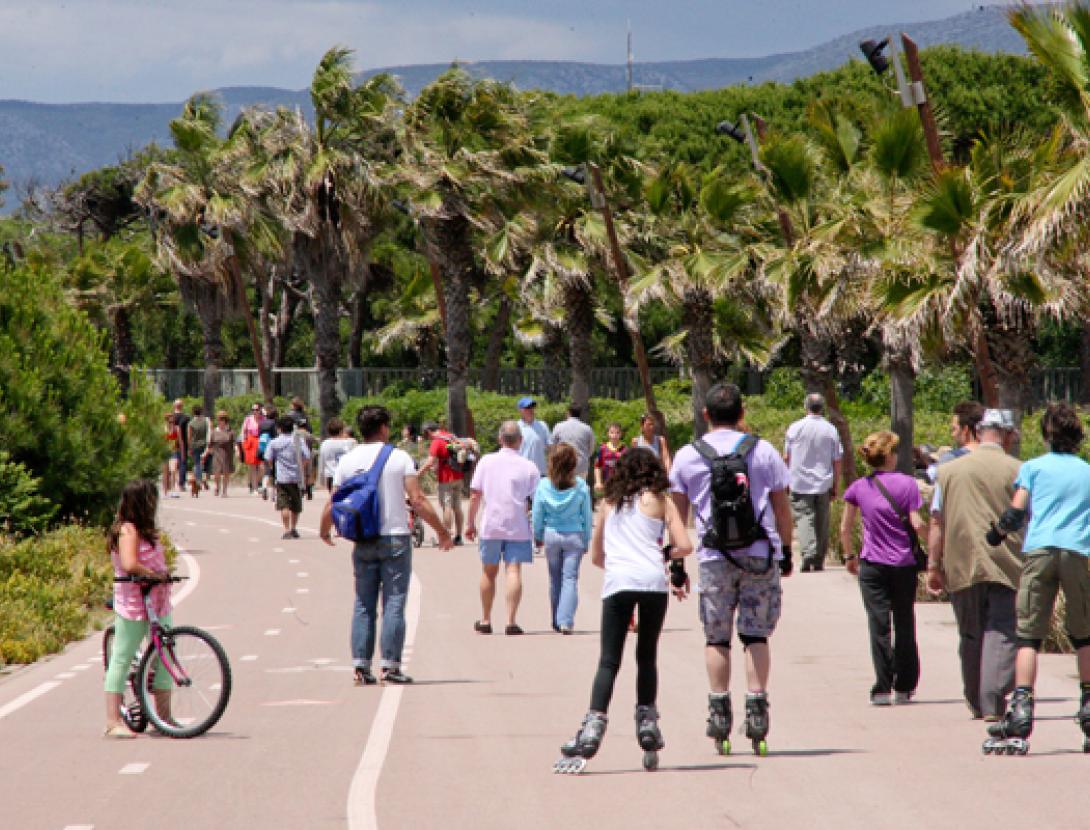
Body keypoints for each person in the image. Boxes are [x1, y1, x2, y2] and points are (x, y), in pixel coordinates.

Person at [669, 382, 793, 755]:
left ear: (705, 414)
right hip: (758, 553)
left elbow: (677, 513)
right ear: (742, 414)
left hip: (713, 556)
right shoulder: (764, 451)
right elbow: (782, 508)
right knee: (756, 635)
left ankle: (719, 709)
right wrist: (785, 550)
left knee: (717, 637)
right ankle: (757, 708)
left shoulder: (688, 456)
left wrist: (676, 564)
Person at [554, 449, 693, 773]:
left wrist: (618, 564)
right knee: (646, 656)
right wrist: (663, 555)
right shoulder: (662, 500)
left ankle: (592, 727)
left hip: (619, 581)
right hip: (653, 583)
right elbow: (685, 545)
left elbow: (596, 556)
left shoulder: (610, 502)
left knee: (609, 660)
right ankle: (647, 722)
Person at [982, 402, 1090, 753]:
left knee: (1029, 635)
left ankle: (1021, 710)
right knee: (1084, 634)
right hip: (1077, 553)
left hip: (1040, 551)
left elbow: (1015, 513)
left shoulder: (1033, 468)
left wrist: (996, 533)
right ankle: (1088, 708)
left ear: (1046, 434)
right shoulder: (1087, 471)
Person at [319, 405, 452, 685]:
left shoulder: (348, 460)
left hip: (363, 538)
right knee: (393, 602)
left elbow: (334, 501)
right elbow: (416, 499)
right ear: (383, 428)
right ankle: (390, 666)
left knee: (363, 603)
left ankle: (360, 666)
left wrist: (324, 530)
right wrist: (441, 530)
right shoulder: (399, 457)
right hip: (395, 538)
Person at [927, 409, 1021, 720]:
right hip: (1006, 562)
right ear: (1007, 435)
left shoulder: (949, 471)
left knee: (970, 632)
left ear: (978, 433)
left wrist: (933, 565)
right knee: (1001, 627)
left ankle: (975, 699)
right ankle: (992, 697)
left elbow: (936, 521)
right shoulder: (1018, 470)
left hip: (961, 562)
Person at [840, 430, 923, 706]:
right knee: (904, 622)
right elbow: (917, 523)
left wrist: (849, 555)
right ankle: (905, 685)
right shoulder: (908, 484)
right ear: (888, 456)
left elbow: (845, 527)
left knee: (878, 625)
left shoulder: (858, 487)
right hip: (903, 565)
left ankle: (882, 687)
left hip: (872, 565)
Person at [103, 480, 173, 738]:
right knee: (122, 657)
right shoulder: (128, 530)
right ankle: (112, 722)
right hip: (134, 601)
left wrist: (164, 576)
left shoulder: (148, 530)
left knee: (165, 655)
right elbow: (130, 563)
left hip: (157, 601)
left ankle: (163, 718)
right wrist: (152, 574)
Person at [466, 421, 541, 635]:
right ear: (520, 441)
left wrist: (470, 523)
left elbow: (475, 495)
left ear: (500, 439)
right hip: (518, 525)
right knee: (513, 570)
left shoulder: (486, 462)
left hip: (491, 524)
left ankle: (486, 619)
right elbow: (537, 500)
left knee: (489, 572)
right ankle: (510, 621)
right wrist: (538, 528)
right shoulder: (529, 466)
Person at [532, 443, 593, 634]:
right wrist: (586, 539)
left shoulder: (543, 485)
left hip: (551, 535)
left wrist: (538, 534)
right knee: (570, 578)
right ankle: (566, 619)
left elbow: (537, 513)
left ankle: (556, 619)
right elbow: (587, 515)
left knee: (554, 578)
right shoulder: (581, 485)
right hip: (574, 535)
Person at [784, 393, 842, 572]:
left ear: (805, 406)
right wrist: (836, 484)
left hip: (799, 481)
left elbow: (787, 456)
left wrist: (785, 479)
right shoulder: (830, 429)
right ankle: (818, 559)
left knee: (804, 517)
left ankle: (808, 552)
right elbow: (837, 459)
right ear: (822, 407)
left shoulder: (795, 428)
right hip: (823, 482)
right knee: (822, 520)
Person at [418, 422, 466, 546]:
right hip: (459, 476)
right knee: (457, 507)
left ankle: (446, 536)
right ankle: (459, 536)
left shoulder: (437, 442)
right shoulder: (450, 436)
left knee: (447, 506)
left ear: (428, 431)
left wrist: (418, 474)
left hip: (446, 478)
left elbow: (429, 462)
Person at [264, 415, 310, 539]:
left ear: (279, 428)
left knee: (284, 505)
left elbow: (268, 458)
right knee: (296, 505)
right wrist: (301, 468)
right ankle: (294, 528)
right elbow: (307, 456)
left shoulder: (274, 442)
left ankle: (286, 529)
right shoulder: (298, 440)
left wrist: (273, 467)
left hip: (282, 478)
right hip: (296, 477)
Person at [927, 400, 986, 483]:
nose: (952, 435)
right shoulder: (997, 458)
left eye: (954, 429)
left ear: (965, 429)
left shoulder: (950, 459)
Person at [551, 404, 597, 487]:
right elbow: (591, 449)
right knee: (580, 490)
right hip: (581, 465)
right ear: (580, 414)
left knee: (564, 490)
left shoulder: (558, 426)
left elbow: (553, 447)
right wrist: (585, 456)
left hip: (563, 465)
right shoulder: (587, 428)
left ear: (568, 413)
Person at [318, 417, 357, 492]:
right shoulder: (351, 442)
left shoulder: (325, 444)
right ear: (341, 430)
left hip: (331, 477)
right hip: (346, 477)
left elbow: (321, 462)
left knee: (334, 499)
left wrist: (321, 479)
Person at [203, 411, 236, 497]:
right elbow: (210, 445)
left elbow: (234, 443)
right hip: (217, 454)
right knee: (216, 474)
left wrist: (237, 451)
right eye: (219, 419)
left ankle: (224, 491)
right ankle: (217, 487)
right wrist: (205, 454)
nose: (220, 421)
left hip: (227, 455)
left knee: (226, 473)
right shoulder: (214, 432)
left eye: (222, 419)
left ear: (226, 420)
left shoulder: (230, 431)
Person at [516, 396, 552, 475]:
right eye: (527, 407)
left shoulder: (543, 425)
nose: (530, 410)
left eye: (532, 407)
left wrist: (551, 467)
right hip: (522, 472)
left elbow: (550, 448)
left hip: (541, 472)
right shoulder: (516, 427)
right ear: (520, 410)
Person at [594, 423, 627, 495]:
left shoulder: (625, 449)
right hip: (607, 484)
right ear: (608, 434)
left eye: (617, 433)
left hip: (621, 484)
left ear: (621, 434)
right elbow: (597, 466)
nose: (614, 435)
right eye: (612, 432)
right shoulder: (602, 448)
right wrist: (598, 482)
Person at [240, 402, 264, 495]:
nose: (255, 412)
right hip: (251, 442)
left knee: (262, 466)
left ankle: (258, 483)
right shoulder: (248, 419)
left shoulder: (263, 419)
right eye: (253, 410)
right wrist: (243, 442)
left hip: (261, 441)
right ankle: (254, 488)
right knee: (253, 466)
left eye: (257, 409)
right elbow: (243, 431)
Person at [187, 404, 210, 493]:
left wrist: (189, 448)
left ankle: (199, 481)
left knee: (197, 463)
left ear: (193, 412)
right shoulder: (205, 421)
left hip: (195, 445)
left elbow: (189, 436)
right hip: (204, 444)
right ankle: (204, 479)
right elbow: (208, 432)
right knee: (204, 463)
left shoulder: (191, 423)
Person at [258, 405, 278, 500]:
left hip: (262, 448)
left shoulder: (261, 423)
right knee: (273, 472)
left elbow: (259, 436)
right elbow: (275, 437)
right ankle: (273, 495)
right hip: (272, 449)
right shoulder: (274, 424)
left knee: (266, 470)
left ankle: (264, 487)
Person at [172, 399, 190, 491]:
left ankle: (172, 484)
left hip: (171, 442)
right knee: (183, 462)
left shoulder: (170, 417)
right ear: (182, 406)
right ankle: (181, 484)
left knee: (172, 463)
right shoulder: (186, 418)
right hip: (182, 442)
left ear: (174, 406)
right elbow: (188, 432)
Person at [162, 412, 181, 498]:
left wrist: (182, 452)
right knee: (165, 472)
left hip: (174, 452)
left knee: (173, 470)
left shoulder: (177, 429)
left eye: (173, 422)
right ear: (166, 421)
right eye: (170, 422)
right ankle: (165, 491)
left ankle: (173, 490)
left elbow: (180, 441)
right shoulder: (163, 430)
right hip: (165, 453)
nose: (172, 423)